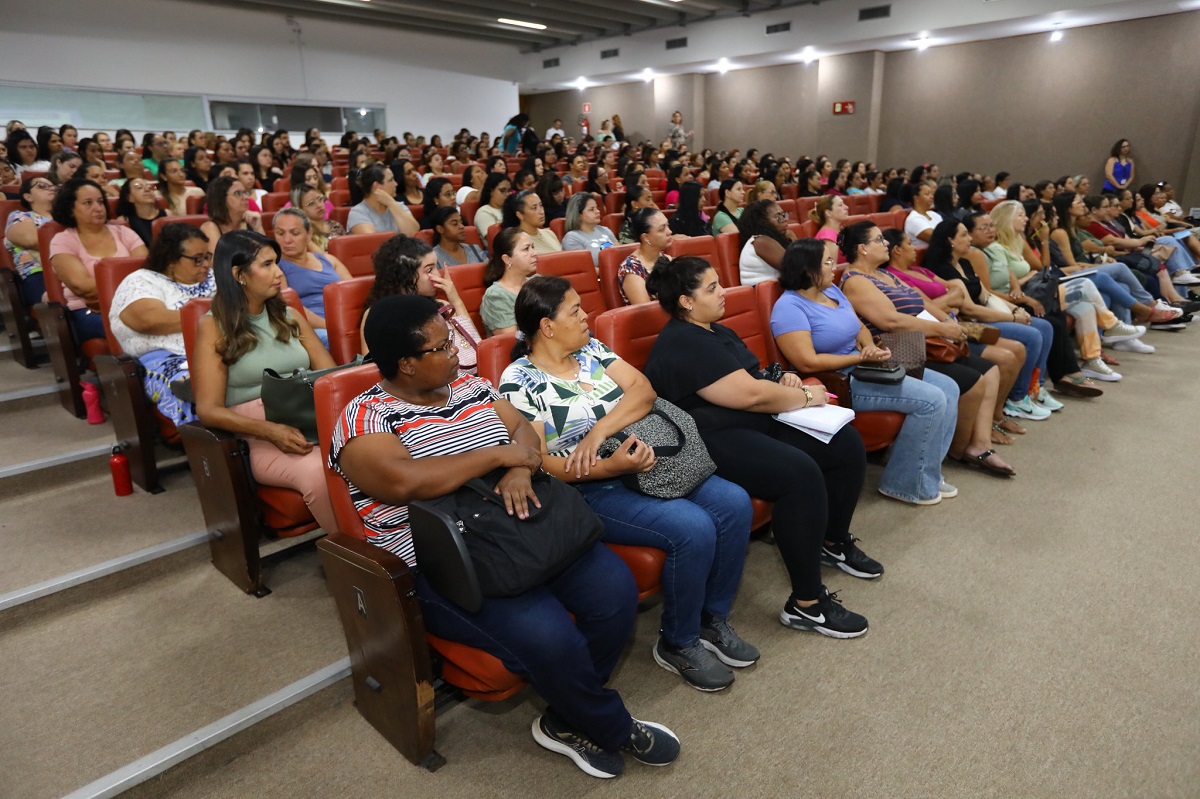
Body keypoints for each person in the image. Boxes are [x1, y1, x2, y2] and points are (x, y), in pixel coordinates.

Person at [331, 292, 679, 778]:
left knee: (615, 592)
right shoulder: (366, 417)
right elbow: (405, 482)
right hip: (449, 564)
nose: (456, 351)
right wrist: (497, 457)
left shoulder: (470, 386)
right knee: (551, 637)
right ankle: (612, 726)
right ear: (406, 364)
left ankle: (567, 715)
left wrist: (519, 468)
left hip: (521, 529)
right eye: (442, 347)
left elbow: (525, 434)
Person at [501, 276, 757, 690]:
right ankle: (679, 641)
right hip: (589, 487)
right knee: (692, 527)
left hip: (646, 461)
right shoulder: (519, 381)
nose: (586, 316)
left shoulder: (591, 349)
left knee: (735, 502)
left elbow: (643, 390)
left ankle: (712, 618)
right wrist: (609, 467)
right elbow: (541, 463)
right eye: (575, 311)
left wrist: (598, 433)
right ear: (547, 326)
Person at [642, 256, 875, 636]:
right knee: (799, 474)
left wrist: (785, 379)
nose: (723, 292)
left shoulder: (714, 330)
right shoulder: (683, 342)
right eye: (712, 288)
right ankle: (807, 604)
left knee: (844, 443)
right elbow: (749, 395)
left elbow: (756, 377)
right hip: (710, 438)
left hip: (751, 421)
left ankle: (832, 541)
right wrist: (807, 397)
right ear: (686, 301)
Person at [772, 239, 960, 505]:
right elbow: (806, 362)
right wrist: (859, 357)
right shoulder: (789, 307)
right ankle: (905, 484)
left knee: (949, 387)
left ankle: (924, 471)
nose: (834, 267)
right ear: (808, 268)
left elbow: (859, 326)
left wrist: (869, 346)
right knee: (931, 400)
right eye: (827, 262)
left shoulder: (831, 291)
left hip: (864, 365)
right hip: (840, 380)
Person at [837, 222, 1015, 477]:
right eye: (879, 240)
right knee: (972, 381)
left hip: (922, 343)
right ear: (862, 248)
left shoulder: (886, 274)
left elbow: (921, 301)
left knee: (990, 370)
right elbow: (891, 322)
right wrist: (942, 330)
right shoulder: (856, 281)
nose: (886, 243)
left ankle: (980, 444)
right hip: (898, 351)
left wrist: (949, 323)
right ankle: (957, 451)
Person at [193, 230, 337, 533]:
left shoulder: (290, 315)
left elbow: (331, 378)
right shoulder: (213, 327)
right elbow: (208, 410)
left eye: (277, 263)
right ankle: (358, 555)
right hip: (263, 441)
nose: (279, 273)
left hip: (314, 425)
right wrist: (270, 431)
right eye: (268, 265)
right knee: (320, 474)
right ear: (239, 275)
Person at [921, 220, 1061, 422]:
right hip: (973, 320)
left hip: (987, 313)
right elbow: (970, 308)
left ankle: (1035, 388)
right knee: (1032, 336)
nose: (970, 239)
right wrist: (1013, 318)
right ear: (950, 240)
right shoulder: (942, 269)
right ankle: (1018, 397)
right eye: (964, 235)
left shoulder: (965, 263)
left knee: (1045, 326)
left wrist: (1016, 308)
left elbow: (986, 295)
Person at [108, 224, 216, 425]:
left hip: (220, 350)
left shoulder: (214, 278)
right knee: (197, 389)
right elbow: (148, 320)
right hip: (166, 358)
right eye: (197, 259)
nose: (205, 265)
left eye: (207, 256)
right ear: (171, 259)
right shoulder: (142, 281)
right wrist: (217, 315)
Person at [48, 178, 149, 343]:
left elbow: (148, 273)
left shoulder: (124, 233)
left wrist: (106, 289)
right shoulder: (62, 241)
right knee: (138, 326)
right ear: (70, 209)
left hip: (136, 304)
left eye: (100, 202)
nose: (98, 208)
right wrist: (131, 283)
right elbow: (82, 287)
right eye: (88, 203)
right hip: (87, 311)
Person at [360, 235, 481, 373]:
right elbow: (375, 369)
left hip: (467, 378)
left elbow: (477, 346)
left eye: (436, 267)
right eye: (429, 270)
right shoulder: (377, 316)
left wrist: (456, 301)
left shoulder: (442, 305)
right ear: (405, 276)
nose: (437, 275)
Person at [273, 209, 351, 346]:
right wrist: (332, 327)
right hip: (311, 328)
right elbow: (289, 309)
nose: (287, 240)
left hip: (345, 321)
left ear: (309, 234)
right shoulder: (276, 268)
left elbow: (354, 293)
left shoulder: (329, 260)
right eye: (280, 233)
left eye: (295, 233)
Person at [4, 175, 56, 307]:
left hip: (73, 268)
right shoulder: (20, 216)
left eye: (52, 186)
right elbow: (32, 240)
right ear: (28, 197)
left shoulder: (68, 217)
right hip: (38, 273)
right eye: (42, 186)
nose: (51, 189)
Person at [482, 227, 538, 334]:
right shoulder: (496, 296)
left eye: (533, 247)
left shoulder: (537, 281)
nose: (534, 253)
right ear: (507, 259)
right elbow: (510, 340)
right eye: (526, 249)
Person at [618, 208, 672, 305]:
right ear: (646, 237)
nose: (669, 232)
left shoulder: (667, 259)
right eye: (662, 229)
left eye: (668, 226)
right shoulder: (631, 269)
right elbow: (646, 311)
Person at [347, 165, 418, 236]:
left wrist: (391, 203)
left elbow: (413, 233)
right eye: (391, 180)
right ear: (377, 186)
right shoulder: (357, 213)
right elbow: (373, 240)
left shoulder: (398, 206)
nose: (396, 184)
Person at [737, 199, 795, 286]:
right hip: (759, 292)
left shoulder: (774, 238)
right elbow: (795, 268)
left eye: (784, 215)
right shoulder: (761, 242)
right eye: (778, 217)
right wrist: (794, 240)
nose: (784, 220)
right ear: (763, 222)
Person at [199, 176, 264, 251]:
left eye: (245, 193)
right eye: (238, 193)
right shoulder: (210, 227)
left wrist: (258, 229)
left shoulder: (250, 222)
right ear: (221, 199)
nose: (245, 197)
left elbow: (268, 254)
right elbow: (217, 258)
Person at [561, 193, 616, 268]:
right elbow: (584, 268)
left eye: (597, 208)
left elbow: (620, 254)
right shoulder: (572, 238)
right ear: (578, 214)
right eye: (591, 209)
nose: (598, 211)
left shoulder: (605, 230)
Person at [502, 190, 561, 255]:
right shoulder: (518, 242)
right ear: (520, 215)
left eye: (541, 205)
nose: (541, 212)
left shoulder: (549, 233)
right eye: (534, 208)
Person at [114, 176, 166, 247]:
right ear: (130, 198)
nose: (147, 189)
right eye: (139, 187)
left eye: (149, 187)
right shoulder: (124, 221)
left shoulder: (168, 214)